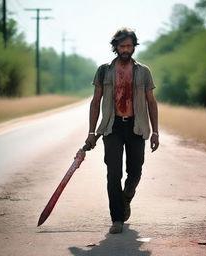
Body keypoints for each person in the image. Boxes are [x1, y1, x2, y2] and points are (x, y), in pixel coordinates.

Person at [85, 27, 159, 234]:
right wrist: (91, 133)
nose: (126, 49)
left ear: (134, 47)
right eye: (122, 46)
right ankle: (116, 218)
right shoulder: (103, 71)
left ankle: (127, 196)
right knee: (113, 173)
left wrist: (155, 132)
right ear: (115, 47)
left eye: (129, 45)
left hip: (137, 126)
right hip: (113, 127)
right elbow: (95, 101)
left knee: (135, 170)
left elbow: (151, 102)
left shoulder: (143, 71)